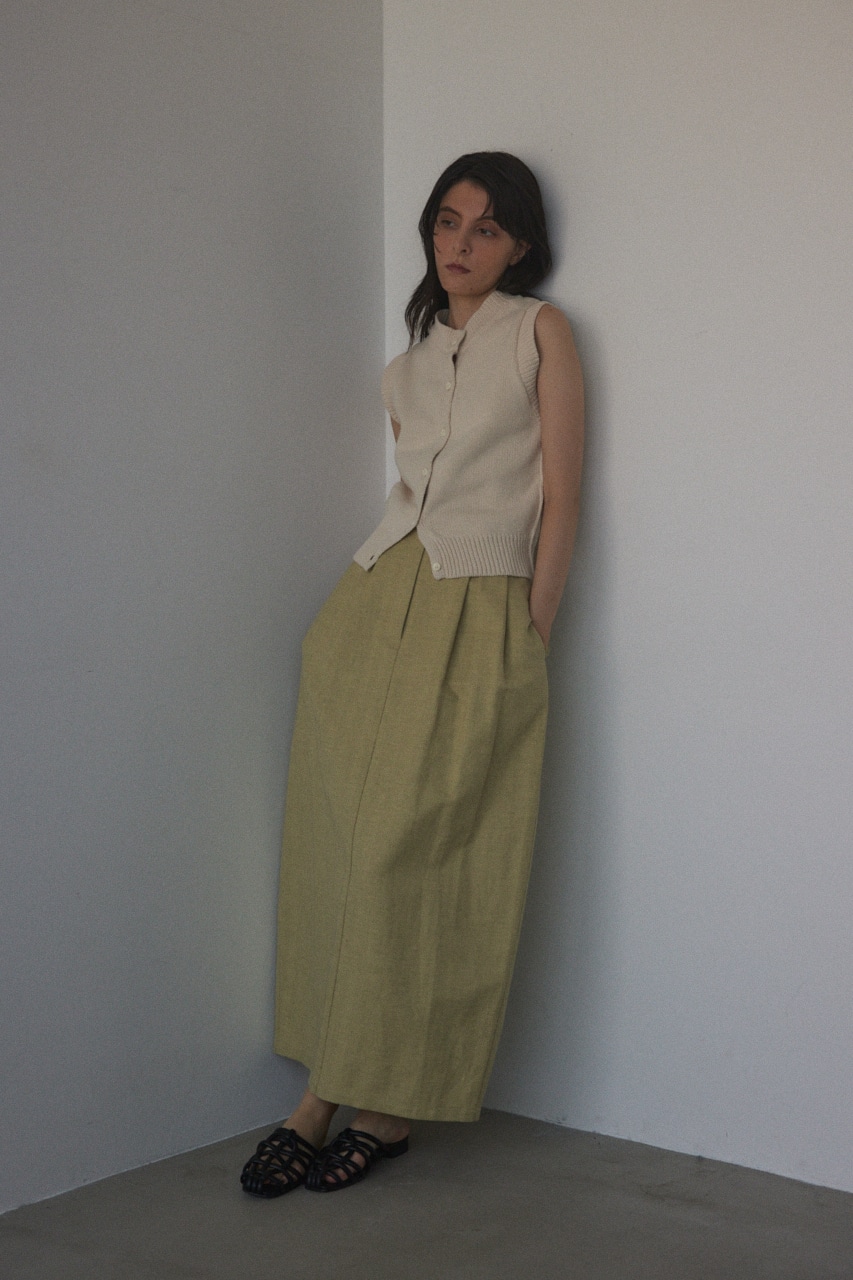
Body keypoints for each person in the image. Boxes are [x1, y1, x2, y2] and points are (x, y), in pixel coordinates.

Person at [240, 151, 584, 1197]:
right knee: (344, 849)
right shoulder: (408, 363)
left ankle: (380, 1105)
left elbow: (562, 494)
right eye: (447, 220)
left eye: (486, 227)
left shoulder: (540, 332)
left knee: (419, 854)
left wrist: (532, 631)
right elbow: (410, 492)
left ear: (518, 246)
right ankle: (325, 1093)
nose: (459, 243)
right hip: (373, 600)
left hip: (479, 605)